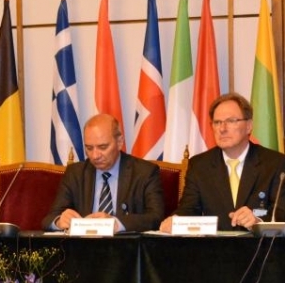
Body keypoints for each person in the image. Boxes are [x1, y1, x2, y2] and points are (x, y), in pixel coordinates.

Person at [160, 92, 285, 232]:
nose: (222, 129)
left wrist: (258, 221)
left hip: (259, 244)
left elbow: (281, 211)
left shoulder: (275, 163)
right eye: (217, 122)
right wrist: (176, 221)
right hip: (216, 245)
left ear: (249, 126)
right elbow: (189, 209)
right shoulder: (199, 165)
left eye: (231, 121)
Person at [42, 113, 165, 232]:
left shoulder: (144, 172)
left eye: (103, 147)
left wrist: (116, 223)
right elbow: (49, 218)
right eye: (89, 148)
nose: (95, 156)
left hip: (126, 244)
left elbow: (156, 217)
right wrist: (59, 221)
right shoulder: (75, 173)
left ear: (119, 142)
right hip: (85, 244)